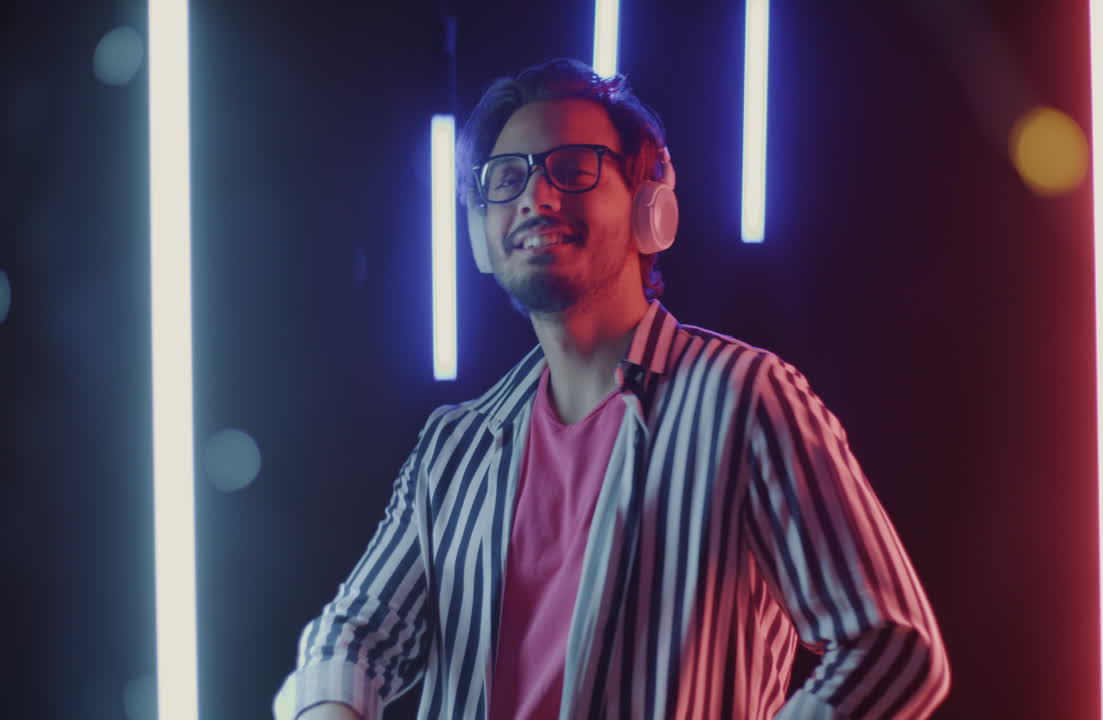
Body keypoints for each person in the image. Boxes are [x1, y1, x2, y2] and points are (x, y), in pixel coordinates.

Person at [274, 57, 950, 720]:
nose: (535, 197)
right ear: (482, 235)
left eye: (571, 169)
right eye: (506, 179)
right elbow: (356, 634)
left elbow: (893, 646)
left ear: (649, 205)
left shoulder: (744, 399)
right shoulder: (454, 447)